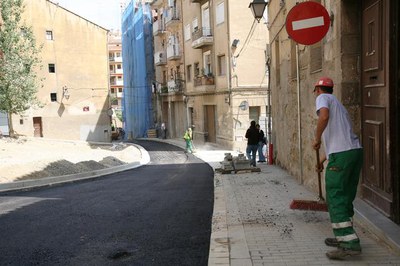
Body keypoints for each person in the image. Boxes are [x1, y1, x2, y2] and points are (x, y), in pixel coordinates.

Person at [312, 77, 363, 260]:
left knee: (335, 197)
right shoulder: (339, 106)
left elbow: (323, 116)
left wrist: (316, 137)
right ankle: (343, 236)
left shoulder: (322, 98)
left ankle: (349, 245)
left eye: (316, 91)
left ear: (318, 89)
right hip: (353, 153)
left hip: (342, 156)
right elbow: (338, 141)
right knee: (346, 196)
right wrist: (322, 160)